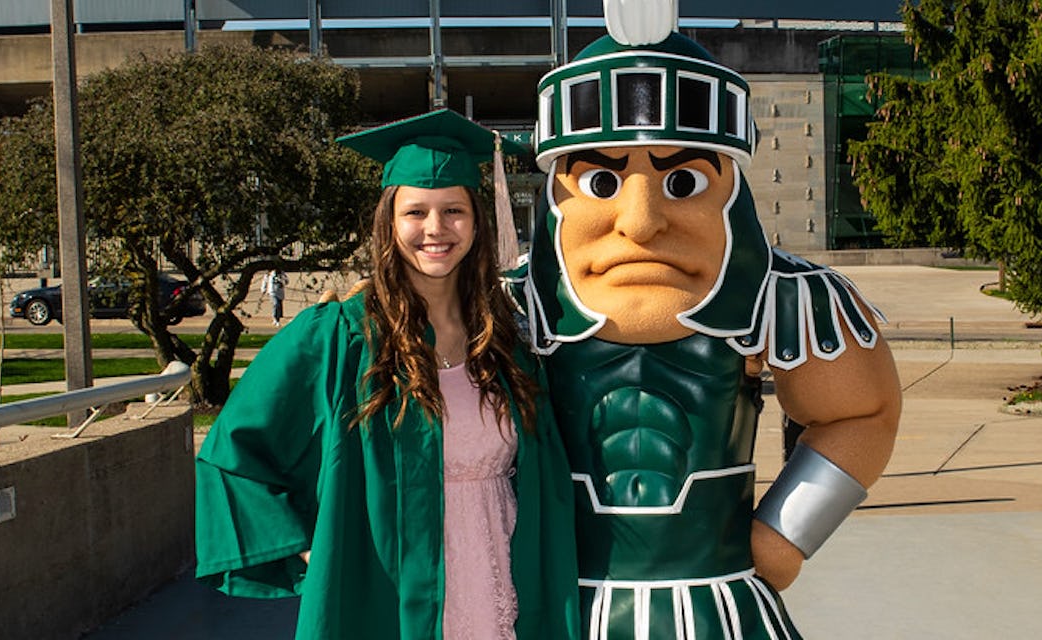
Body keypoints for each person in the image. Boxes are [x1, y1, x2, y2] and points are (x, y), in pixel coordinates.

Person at [510, 7, 902, 637]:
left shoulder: (791, 296)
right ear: (558, 192)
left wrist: (785, 534)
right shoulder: (508, 304)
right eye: (604, 180)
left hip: (722, 606)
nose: (641, 222)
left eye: (683, 179)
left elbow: (860, 412)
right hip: (560, 599)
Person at [194, 110, 579, 639]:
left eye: (454, 210)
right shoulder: (340, 336)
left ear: (478, 220)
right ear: (389, 223)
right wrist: (317, 548)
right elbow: (232, 453)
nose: (435, 229)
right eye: (415, 211)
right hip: (392, 596)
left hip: (499, 583)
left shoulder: (505, 340)